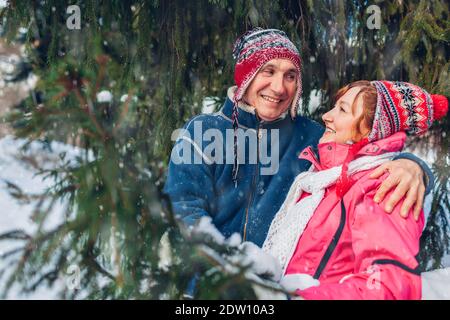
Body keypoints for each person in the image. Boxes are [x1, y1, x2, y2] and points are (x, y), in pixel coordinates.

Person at [164, 28, 433, 249]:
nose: (279, 87)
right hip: (210, 288)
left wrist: (413, 165)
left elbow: (366, 158)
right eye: (268, 71)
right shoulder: (202, 132)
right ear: (246, 76)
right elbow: (184, 210)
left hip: (283, 288)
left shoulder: (313, 136)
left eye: (290, 76)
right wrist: (231, 275)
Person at [263, 80, 448, 299]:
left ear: (373, 129)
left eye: (342, 109)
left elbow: (388, 288)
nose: (326, 116)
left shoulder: (384, 187)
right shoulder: (319, 178)